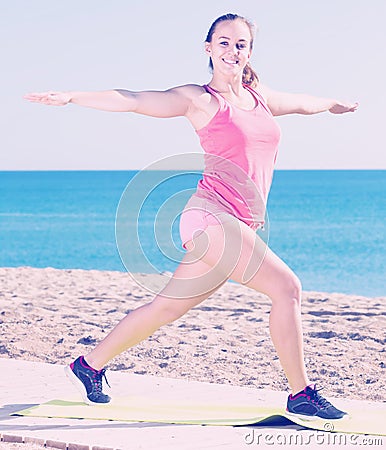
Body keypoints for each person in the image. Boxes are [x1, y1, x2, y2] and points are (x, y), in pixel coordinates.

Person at [24, 13, 358, 420]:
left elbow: (304, 103)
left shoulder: (259, 98)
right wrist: (73, 96)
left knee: (167, 307)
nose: (232, 51)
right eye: (223, 42)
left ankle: (88, 366)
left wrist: (333, 105)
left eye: (240, 44)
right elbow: (133, 100)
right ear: (208, 48)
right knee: (287, 288)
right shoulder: (199, 100)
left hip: (237, 224)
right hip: (210, 218)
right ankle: (300, 393)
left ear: (249, 51)